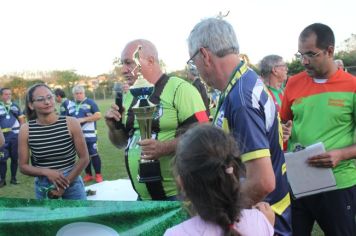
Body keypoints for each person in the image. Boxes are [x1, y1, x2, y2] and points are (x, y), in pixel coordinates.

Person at [187, 18, 291, 235]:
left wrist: (213, 209)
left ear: (204, 55)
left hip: (263, 218)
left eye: (192, 61)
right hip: (264, 213)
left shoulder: (241, 98)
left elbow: (262, 181)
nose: (195, 68)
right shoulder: (243, 81)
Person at [105, 39, 209, 201]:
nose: (123, 70)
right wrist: (114, 128)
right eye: (122, 64)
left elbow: (204, 136)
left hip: (178, 197)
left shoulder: (180, 89)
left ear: (150, 61)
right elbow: (121, 143)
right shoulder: (129, 95)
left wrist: (165, 147)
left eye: (129, 63)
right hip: (143, 199)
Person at [280, 23, 356, 236]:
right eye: (300, 55)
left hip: (338, 183)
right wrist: (283, 130)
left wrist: (341, 154)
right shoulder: (293, 83)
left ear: (330, 51)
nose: (304, 61)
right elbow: (284, 121)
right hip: (299, 180)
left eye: (311, 54)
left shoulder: (352, 86)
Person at [165, 124, 274, 236]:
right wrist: (267, 225)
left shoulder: (175, 233)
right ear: (232, 173)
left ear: (181, 183)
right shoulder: (260, 221)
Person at [18, 83, 89, 200]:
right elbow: (23, 167)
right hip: (44, 185)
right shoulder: (25, 130)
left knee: (79, 218)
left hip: (72, 182)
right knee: (48, 219)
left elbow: (84, 158)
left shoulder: (71, 123)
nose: (47, 102)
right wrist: (46, 172)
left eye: (49, 97)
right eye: (40, 99)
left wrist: (64, 185)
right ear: (31, 105)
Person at [66, 85, 103, 183]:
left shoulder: (90, 102)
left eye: (80, 93)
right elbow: (67, 118)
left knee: (94, 154)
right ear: (73, 95)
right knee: (83, 156)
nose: (78, 95)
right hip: (77, 135)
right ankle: (88, 175)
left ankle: (98, 175)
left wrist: (84, 119)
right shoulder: (70, 104)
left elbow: (98, 115)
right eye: (76, 93)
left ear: (84, 93)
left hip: (90, 135)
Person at [0, 88, 26, 187]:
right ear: (1, 96)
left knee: (15, 158)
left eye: (10, 94)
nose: (8, 96)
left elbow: (22, 120)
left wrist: (22, 133)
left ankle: (13, 179)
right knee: (2, 159)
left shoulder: (15, 106)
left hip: (15, 136)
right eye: (6, 94)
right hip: (2, 137)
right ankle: (2, 180)